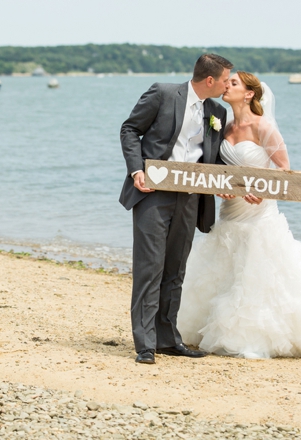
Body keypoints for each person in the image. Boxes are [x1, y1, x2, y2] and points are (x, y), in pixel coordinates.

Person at [177, 71, 301, 359]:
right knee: (223, 269)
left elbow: (284, 170)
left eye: (234, 83)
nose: (227, 86)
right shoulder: (221, 125)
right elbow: (215, 167)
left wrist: (262, 190)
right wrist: (220, 188)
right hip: (230, 211)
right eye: (228, 81)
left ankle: (256, 335)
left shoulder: (264, 127)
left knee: (256, 271)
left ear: (249, 93)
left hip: (258, 213)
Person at [120, 54, 233, 364]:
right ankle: (145, 343)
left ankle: (168, 340)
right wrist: (136, 169)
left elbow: (216, 160)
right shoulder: (163, 93)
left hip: (191, 199)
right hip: (153, 193)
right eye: (225, 79)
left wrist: (231, 184)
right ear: (210, 80)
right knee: (149, 268)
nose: (227, 85)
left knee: (175, 271)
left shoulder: (217, 112)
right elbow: (130, 130)